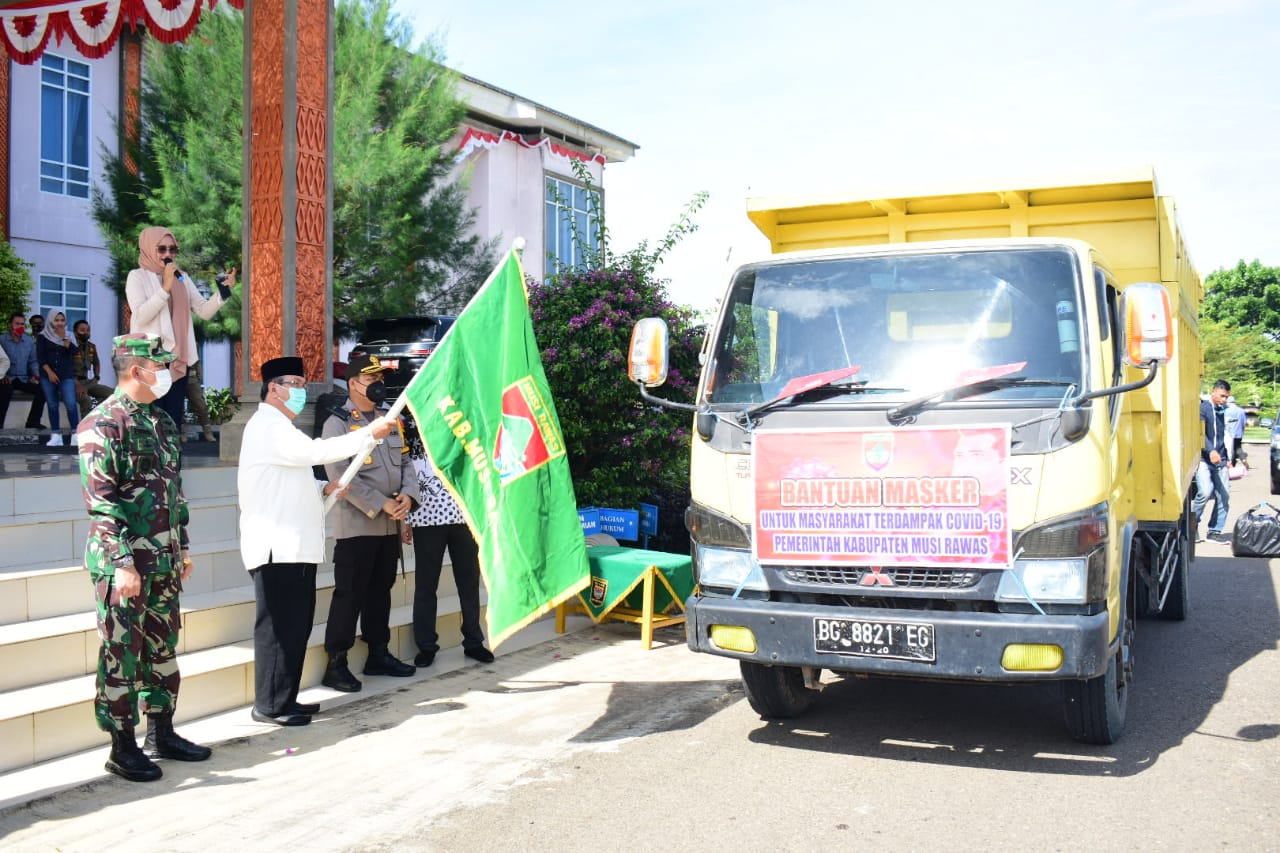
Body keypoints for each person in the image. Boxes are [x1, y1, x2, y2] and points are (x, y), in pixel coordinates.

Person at [76, 333, 212, 783]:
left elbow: (174, 493)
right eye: (161, 366)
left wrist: (183, 545)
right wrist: (122, 563)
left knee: (162, 647)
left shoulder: (161, 422)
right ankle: (122, 745)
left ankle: (163, 732)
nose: (169, 374)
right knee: (122, 652)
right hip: (124, 564)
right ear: (137, 370)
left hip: (164, 558)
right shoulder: (102, 424)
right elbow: (101, 502)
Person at [239, 356, 395, 726]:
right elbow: (314, 453)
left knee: (295, 627)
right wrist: (367, 435)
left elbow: (289, 477)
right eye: (292, 383)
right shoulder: (268, 425)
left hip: (295, 546)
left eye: (302, 382)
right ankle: (270, 704)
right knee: (278, 630)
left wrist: (323, 486)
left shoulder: (280, 427)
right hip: (277, 548)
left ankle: (286, 698)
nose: (300, 390)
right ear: (272, 388)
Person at [319, 353, 417, 692]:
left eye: (380, 380)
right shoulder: (338, 423)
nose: (377, 386)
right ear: (353, 384)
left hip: (389, 525)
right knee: (350, 593)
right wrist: (384, 504)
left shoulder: (391, 420)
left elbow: (406, 464)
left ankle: (378, 652)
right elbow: (341, 477)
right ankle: (336, 663)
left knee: (381, 592)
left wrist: (407, 496)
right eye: (371, 380)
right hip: (357, 525)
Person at [403, 424, 494, 669]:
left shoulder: (462, 416)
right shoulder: (411, 422)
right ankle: (426, 645)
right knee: (425, 584)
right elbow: (405, 469)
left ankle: (474, 641)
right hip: (424, 514)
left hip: (464, 513)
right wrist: (406, 518)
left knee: (469, 581)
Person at [125, 226, 232, 430]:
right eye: (162, 249)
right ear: (148, 248)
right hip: (150, 360)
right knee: (152, 418)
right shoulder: (137, 277)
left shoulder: (181, 277)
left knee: (172, 418)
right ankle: (153, 461)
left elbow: (203, 310)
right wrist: (165, 287)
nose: (168, 255)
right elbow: (141, 315)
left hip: (177, 359)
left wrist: (224, 291)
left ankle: (172, 461)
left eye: (173, 250)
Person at [1193, 380, 1232, 544]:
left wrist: (1228, 457)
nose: (1224, 400)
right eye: (1222, 396)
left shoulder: (1223, 410)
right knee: (1205, 491)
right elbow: (1201, 434)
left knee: (1224, 496)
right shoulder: (1204, 408)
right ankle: (1192, 526)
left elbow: (1224, 436)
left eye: (1227, 397)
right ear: (1214, 392)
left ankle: (1215, 530)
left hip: (1220, 459)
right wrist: (1211, 451)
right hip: (1204, 458)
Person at [36, 311, 80, 447]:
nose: (59, 323)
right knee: (52, 404)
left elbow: (75, 352)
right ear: (50, 321)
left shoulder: (69, 336)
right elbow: (41, 357)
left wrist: (64, 338)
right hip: (47, 375)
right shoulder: (43, 336)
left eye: (62, 320)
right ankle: (56, 435)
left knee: (71, 404)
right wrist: (49, 372)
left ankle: (75, 435)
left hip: (66, 374)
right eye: (56, 320)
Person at [0, 313, 47, 430]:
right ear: (10, 325)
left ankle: (33, 422)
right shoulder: (2, 339)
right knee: (6, 391)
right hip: (6, 377)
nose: (20, 326)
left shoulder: (28, 341)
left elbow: (33, 361)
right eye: (17, 324)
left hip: (23, 378)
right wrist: (2, 375)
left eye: (22, 324)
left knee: (43, 389)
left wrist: (36, 376)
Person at [72, 319, 113, 417]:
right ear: (75, 332)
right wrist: (77, 385)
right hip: (72, 383)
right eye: (82, 330)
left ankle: (104, 423)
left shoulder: (91, 347)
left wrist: (96, 377)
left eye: (87, 330)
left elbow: (96, 363)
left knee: (113, 394)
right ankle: (85, 428)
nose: (85, 333)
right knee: (86, 400)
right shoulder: (70, 346)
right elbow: (66, 369)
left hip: (87, 382)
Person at [185, 359, 216, 442]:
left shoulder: (191, 345)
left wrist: (199, 376)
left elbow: (196, 359)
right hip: (175, 377)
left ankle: (208, 431)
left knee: (200, 405)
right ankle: (182, 432)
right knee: (177, 406)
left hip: (192, 378)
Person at [1224, 395, 1246, 467]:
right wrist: (1242, 431)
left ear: (1229, 402)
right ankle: (1243, 458)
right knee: (1238, 447)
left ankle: (1232, 463)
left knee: (1230, 449)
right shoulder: (1241, 411)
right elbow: (1244, 423)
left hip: (1229, 433)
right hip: (1238, 432)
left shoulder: (1226, 411)